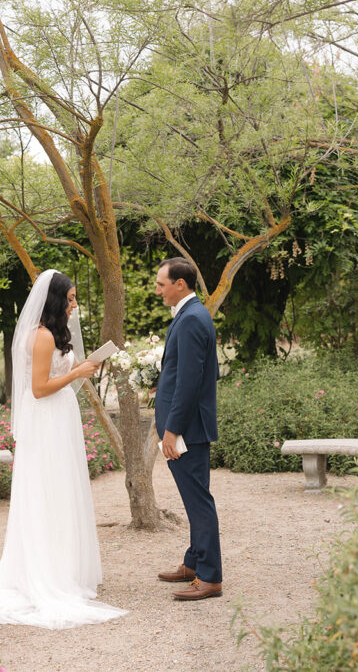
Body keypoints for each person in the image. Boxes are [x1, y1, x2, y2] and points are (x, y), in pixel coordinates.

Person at [0, 270, 128, 629]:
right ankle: (48, 572)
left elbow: (56, 378)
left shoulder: (54, 334)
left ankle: (67, 566)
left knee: (63, 491)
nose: (75, 305)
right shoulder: (42, 336)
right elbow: (40, 389)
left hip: (60, 418)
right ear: (56, 302)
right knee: (48, 492)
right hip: (47, 421)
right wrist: (76, 374)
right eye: (71, 299)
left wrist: (81, 368)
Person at [153, 257, 223, 600]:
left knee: (199, 503)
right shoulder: (191, 315)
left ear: (180, 284)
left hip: (188, 430)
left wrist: (172, 428)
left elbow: (192, 382)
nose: (158, 290)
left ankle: (210, 577)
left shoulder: (193, 318)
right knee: (195, 499)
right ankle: (194, 563)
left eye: (161, 284)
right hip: (189, 426)